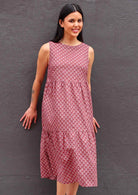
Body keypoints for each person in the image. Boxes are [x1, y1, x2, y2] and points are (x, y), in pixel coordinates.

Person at [20, 3, 100, 195]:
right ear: (61, 22)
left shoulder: (88, 51)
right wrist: (33, 107)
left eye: (79, 20)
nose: (76, 24)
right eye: (71, 20)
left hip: (80, 114)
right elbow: (38, 80)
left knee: (77, 159)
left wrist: (90, 113)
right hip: (57, 112)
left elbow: (86, 84)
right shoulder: (48, 49)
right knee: (63, 160)